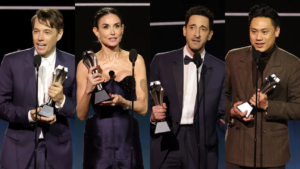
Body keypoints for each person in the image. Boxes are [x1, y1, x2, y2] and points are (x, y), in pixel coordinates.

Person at [225, 4, 300, 169]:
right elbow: (219, 96)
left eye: (264, 32)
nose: (258, 37)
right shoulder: (233, 57)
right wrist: (231, 110)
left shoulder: (292, 63)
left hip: (272, 154)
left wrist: (268, 105)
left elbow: (298, 107)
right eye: (253, 31)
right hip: (237, 150)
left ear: (277, 31)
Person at [150, 6, 225, 169]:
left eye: (203, 29)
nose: (196, 34)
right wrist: (153, 116)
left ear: (210, 35)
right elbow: (150, 104)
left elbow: (222, 114)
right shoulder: (161, 62)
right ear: (184, 30)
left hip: (203, 146)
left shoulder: (221, 69)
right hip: (167, 142)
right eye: (192, 27)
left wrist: (233, 124)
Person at [0, 8, 75, 169]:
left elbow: (80, 109)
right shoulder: (11, 61)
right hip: (17, 150)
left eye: (47, 32)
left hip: (58, 150)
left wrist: (61, 100)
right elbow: (1, 105)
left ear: (59, 34)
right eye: (36, 31)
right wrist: (29, 115)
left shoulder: (73, 64)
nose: (40, 38)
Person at [76, 7, 148, 169]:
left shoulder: (135, 60)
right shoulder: (85, 64)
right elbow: (81, 115)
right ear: (96, 31)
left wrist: (124, 102)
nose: (112, 32)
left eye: (116, 26)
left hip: (127, 138)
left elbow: (143, 108)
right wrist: (89, 88)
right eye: (106, 27)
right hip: (98, 139)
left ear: (122, 29)